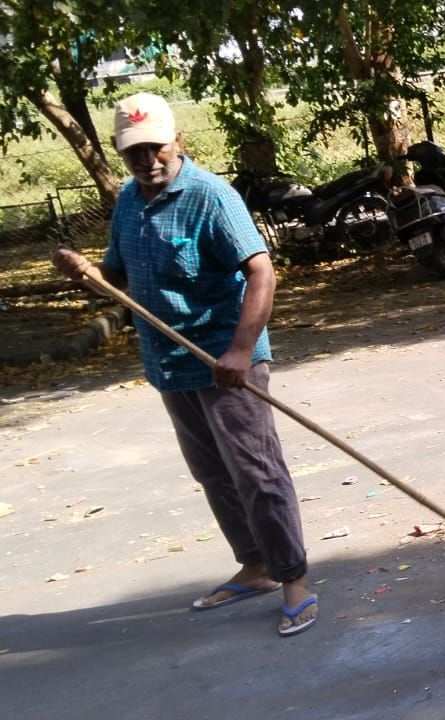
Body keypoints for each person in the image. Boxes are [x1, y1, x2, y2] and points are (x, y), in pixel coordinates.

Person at [52, 93, 317, 637]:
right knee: (213, 472)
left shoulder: (210, 196)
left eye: (156, 147)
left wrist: (241, 350)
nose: (148, 160)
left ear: (178, 141)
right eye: (134, 152)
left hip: (225, 359)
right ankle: (256, 565)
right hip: (170, 362)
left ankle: (295, 581)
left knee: (257, 473)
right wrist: (87, 275)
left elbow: (262, 273)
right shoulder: (129, 199)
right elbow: (119, 279)